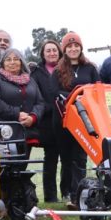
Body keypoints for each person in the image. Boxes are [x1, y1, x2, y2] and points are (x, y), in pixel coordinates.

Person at [50, 31, 100, 208]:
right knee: (66, 157)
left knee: (80, 158)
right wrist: (74, 96)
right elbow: (54, 93)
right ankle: (67, 192)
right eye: (69, 46)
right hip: (64, 121)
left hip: (85, 120)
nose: (73, 48)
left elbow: (97, 90)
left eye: (76, 46)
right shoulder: (58, 70)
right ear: (65, 49)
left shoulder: (90, 68)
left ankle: (78, 193)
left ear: (80, 48)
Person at [0, 47, 45, 159]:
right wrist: (17, 114)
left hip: (27, 133)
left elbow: (40, 103)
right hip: (5, 133)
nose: (12, 62)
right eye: (8, 59)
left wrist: (33, 117)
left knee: (22, 169)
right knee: (6, 171)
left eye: (16, 59)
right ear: (3, 63)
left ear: (21, 62)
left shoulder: (30, 80)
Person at [30, 40, 67, 202]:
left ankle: (67, 192)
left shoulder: (67, 69)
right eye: (48, 51)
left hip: (67, 120)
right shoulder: (36, 73)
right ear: (43, 54)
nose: (52, 53)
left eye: (54, 50)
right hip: (47, 121)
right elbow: (34, 96)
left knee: (67, 158)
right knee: (50, 159)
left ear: (59, 52)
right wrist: (51, 107)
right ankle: (50, 196)